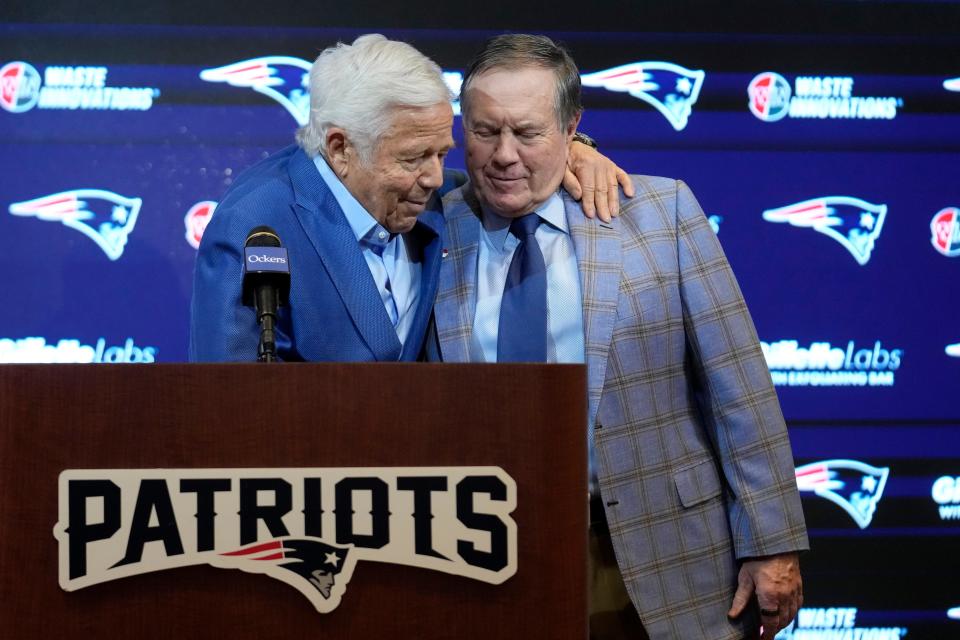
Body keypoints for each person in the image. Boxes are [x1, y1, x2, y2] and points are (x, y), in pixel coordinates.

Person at [430, 34, 808, 640]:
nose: (503, 155)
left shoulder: (660, 213)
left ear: (572, 127)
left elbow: (740, 388)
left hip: (659, 554)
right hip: (481, 557)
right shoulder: (427, 226)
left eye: (527, 133)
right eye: (483, 131)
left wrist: (773, 541)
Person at [190, 34, 631, 362]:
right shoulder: (255, 223)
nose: (435, 177)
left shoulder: (436, 196)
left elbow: (518, 169)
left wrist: (577, 149)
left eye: (441, 152)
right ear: (341, 148)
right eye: (414, 157)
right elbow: (224, 404)